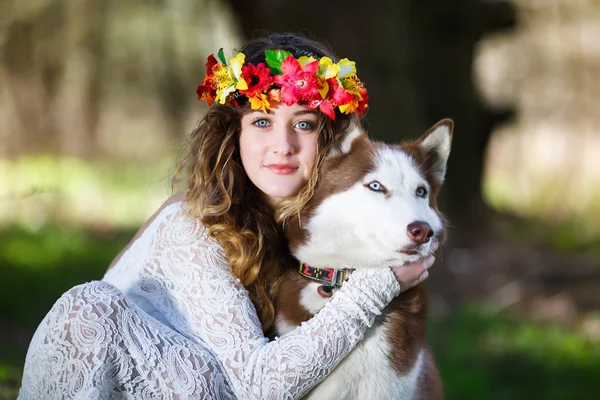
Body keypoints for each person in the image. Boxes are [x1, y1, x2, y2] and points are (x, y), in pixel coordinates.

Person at [18, 33, 438, 399]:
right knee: (99, 309)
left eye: (304, 125)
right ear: (233, 135)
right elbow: (257, 387)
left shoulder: (301, 237)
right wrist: (379, 283)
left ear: (333, 143)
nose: (283, 145)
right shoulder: (195, 224)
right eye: (261, 121)